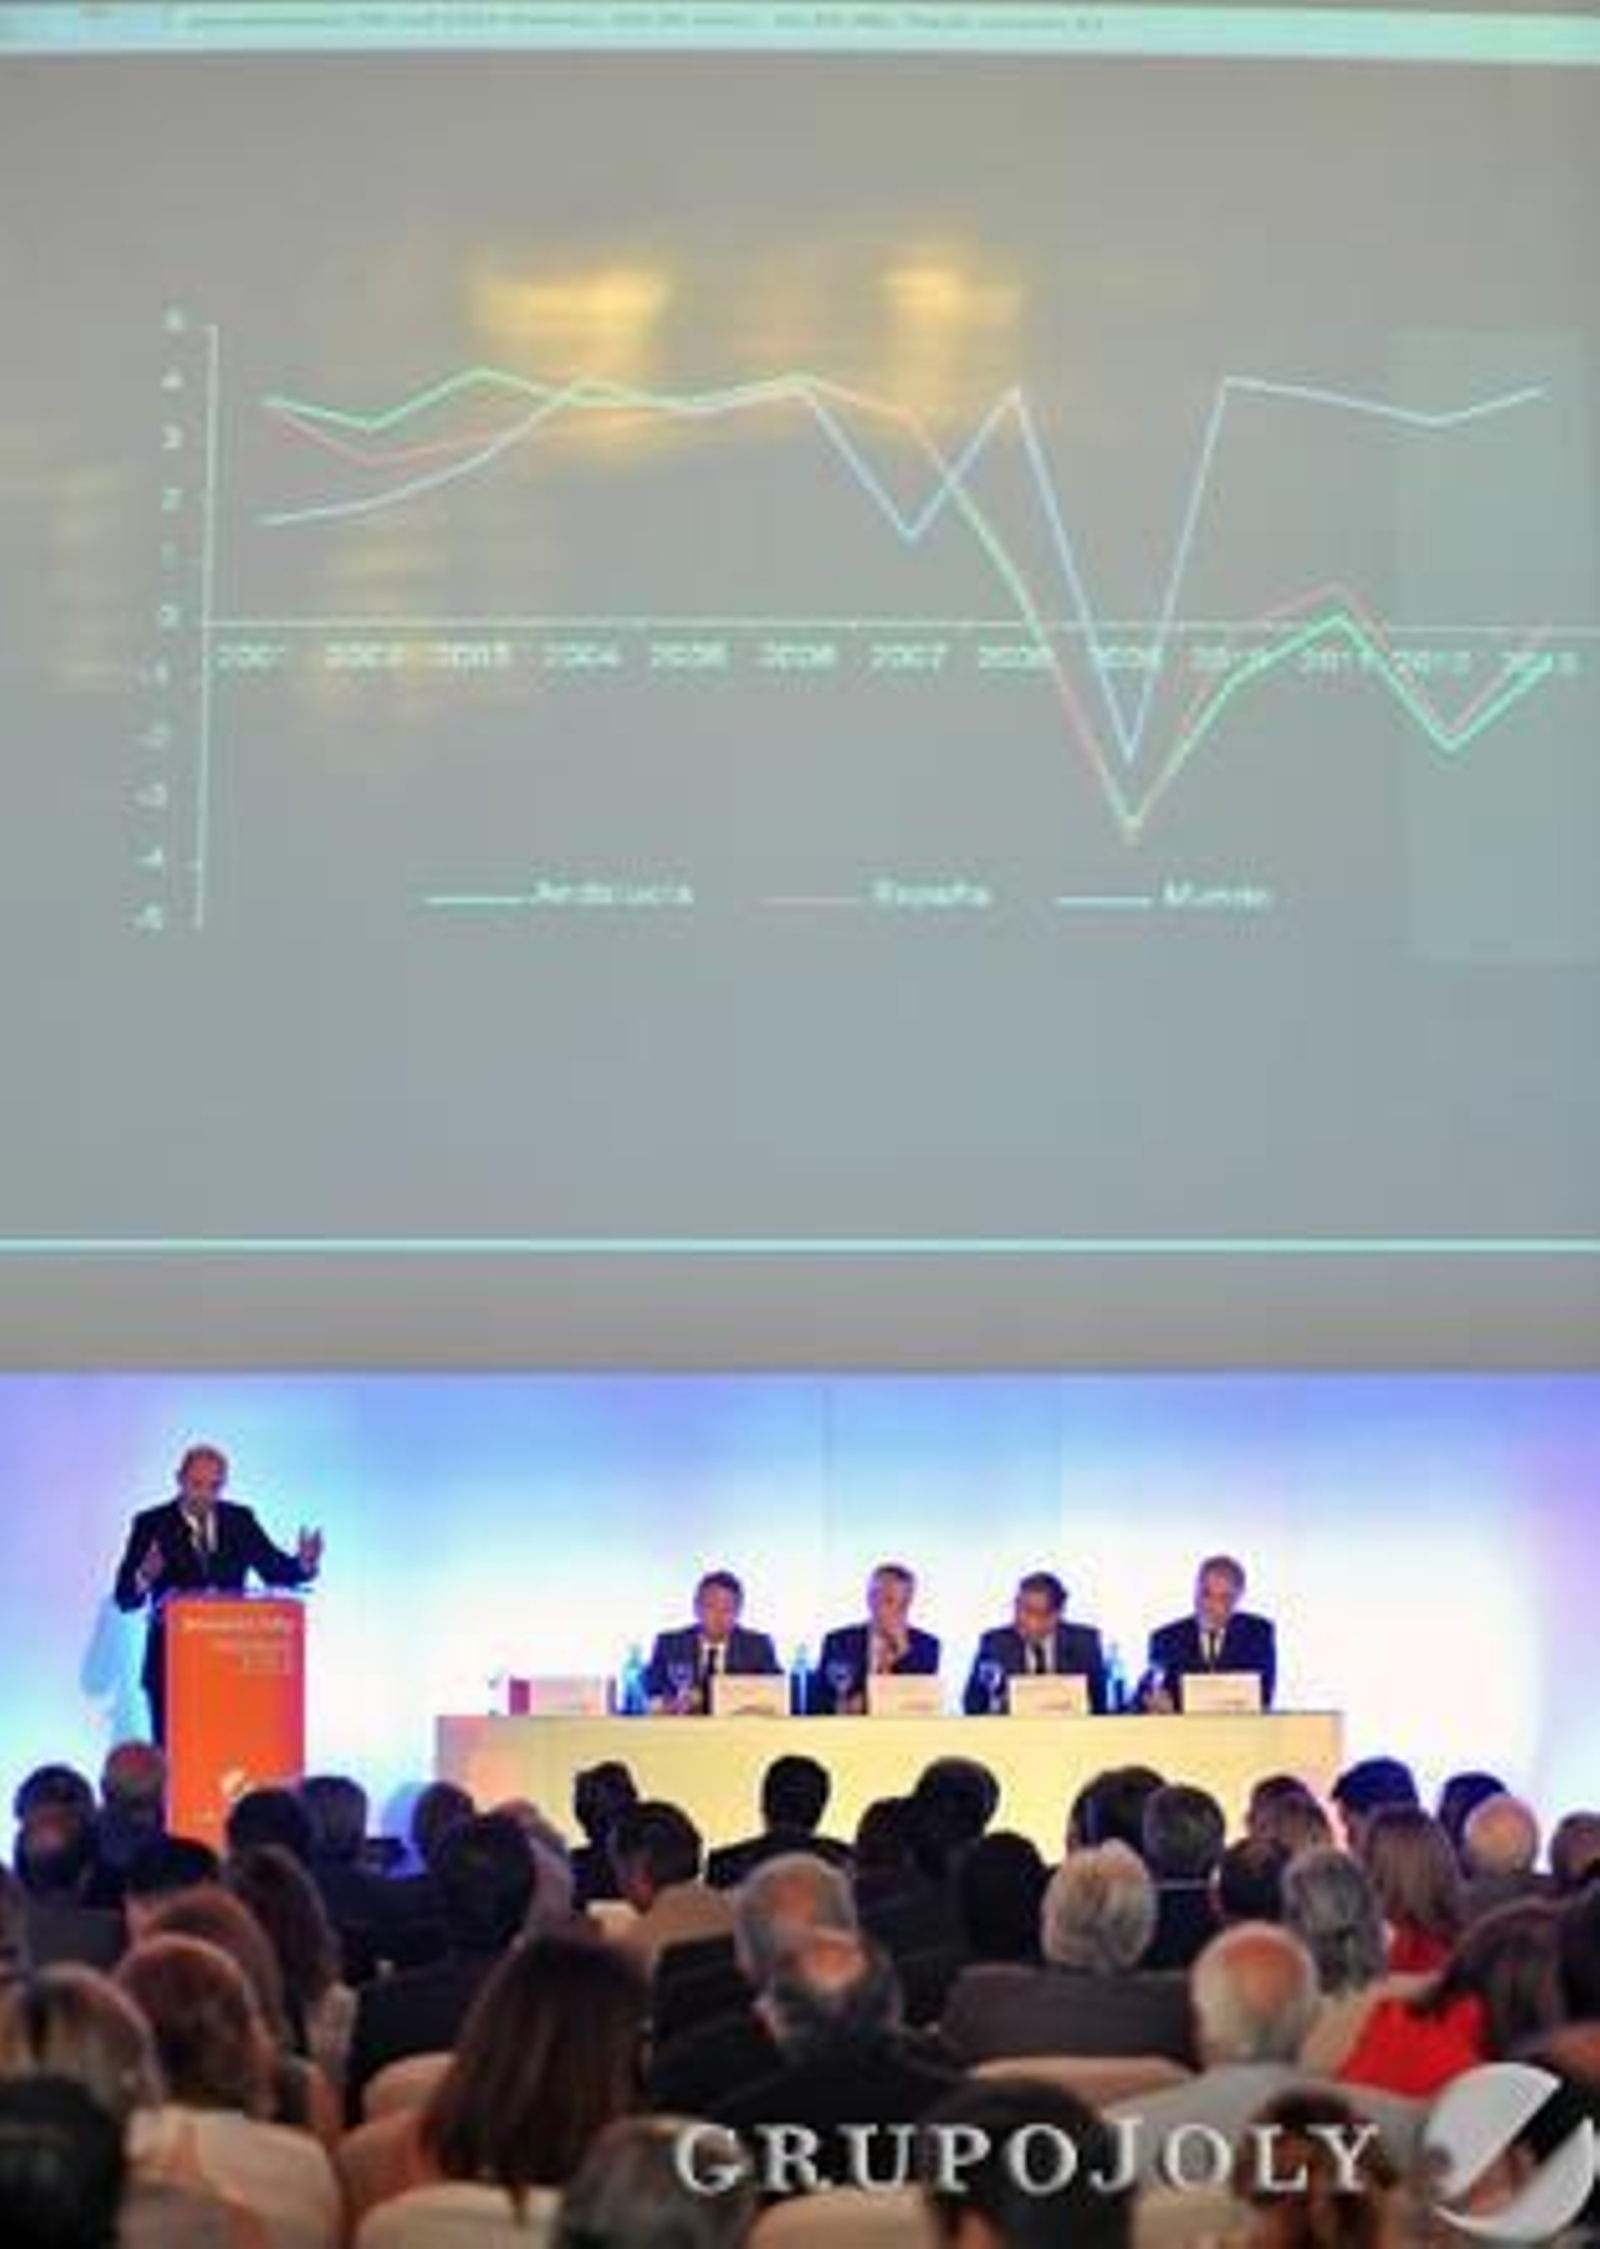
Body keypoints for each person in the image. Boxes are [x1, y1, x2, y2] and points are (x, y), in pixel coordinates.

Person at [112, 1445, 324, 1745]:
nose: (205, 1495)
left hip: (231, 1666)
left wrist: (303, 1563)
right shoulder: (151, 1523)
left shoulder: (240, 1519)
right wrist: (144, 1576)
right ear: (179, 1479)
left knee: (230, 1758)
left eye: (214, 1486)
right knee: (174, 1761)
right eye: (196, 1484)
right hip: (171, 1669)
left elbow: (273, 1569)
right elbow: (124, 1598)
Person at [962, 1571, 1107, 1715]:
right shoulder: (995, 1643)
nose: (1020, 1618)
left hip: (1071, 1734)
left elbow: (1099, 1706)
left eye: (1030, 1611)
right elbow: (973, 1704)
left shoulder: (1084, 1643)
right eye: (1018, 1608)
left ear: (1055, 1616)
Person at [1145, 1553, 1277, 1709]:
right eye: (1206, 1594)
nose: (1212, 1605)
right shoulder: (1166, 1638)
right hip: (1183, 1732)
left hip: (1240, 1730)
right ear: (1195, 1591)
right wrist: (1152, 1701)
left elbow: (1264, 1695)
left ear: (1238, 1598)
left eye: (1224, 1598)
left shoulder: (1258, 1633)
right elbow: (1146, 1691)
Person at [642, 1570, 780, 1715]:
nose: (718, 1616)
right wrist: (670, 1703)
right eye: (710, 1606)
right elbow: (651, 1690)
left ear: (739, 1611)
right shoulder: (670, 1644)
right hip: (682, 1731)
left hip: (737, 1732)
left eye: (727, 1609)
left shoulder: (758, 1646)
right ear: (696, 1607)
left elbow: (776, 1693)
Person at [810, 1562, 941, 1714]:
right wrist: (840, 1706)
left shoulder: (926, 1646)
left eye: (888, 1600)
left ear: (906, 1603)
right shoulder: (838, 1641)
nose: (876, 1606)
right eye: (873, 1595)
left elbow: (920, 1705)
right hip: (847, 1732)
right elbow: (818, 1701)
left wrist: (902, 1652)